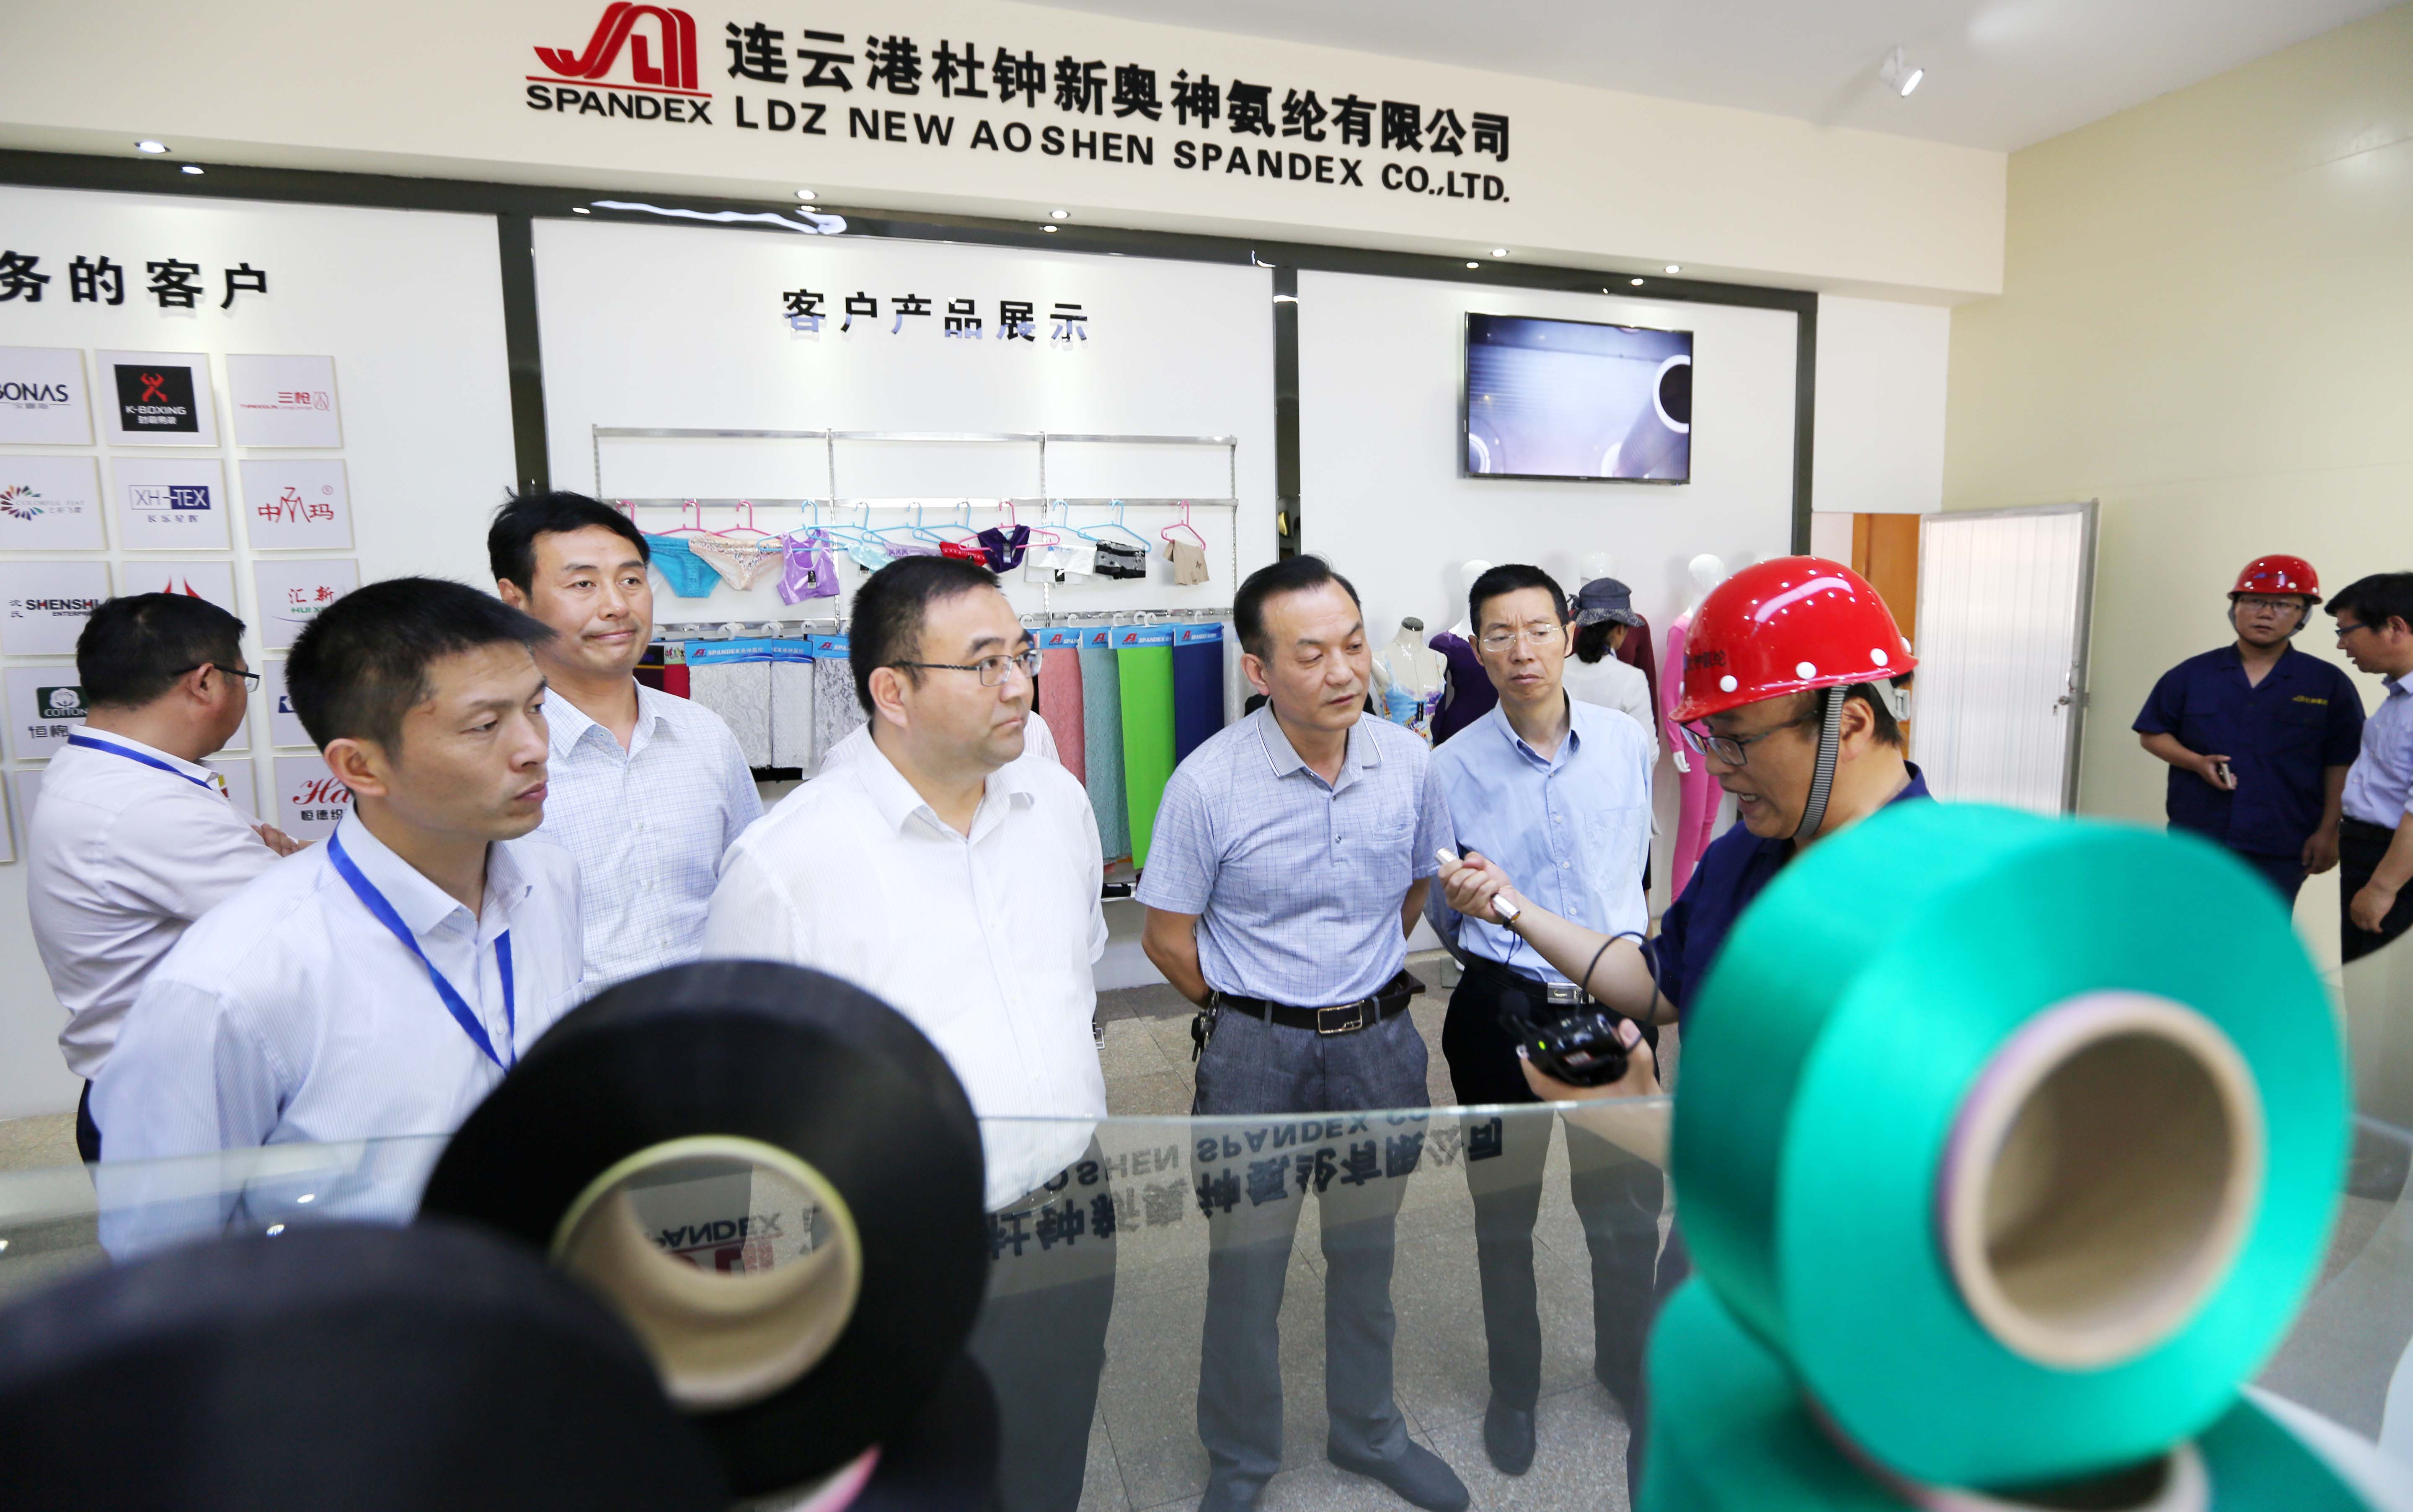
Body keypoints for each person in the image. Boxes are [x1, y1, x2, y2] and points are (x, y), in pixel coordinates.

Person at [1435, 556, 1928, 1502]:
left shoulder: (1934, 903)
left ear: (1851, 721)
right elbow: (1656, 982)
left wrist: (1648, 1123)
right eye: (1707, 741)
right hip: (1709, 1259)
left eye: (1735, 741)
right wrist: (1514, 908)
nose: (1716, 771)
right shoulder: (1749, 851)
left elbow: (1881, 1172)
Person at [700, 556, 1111, 1512]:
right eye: (984, 663)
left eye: (1022, 654)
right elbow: (747, 1106)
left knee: (1052, 1444)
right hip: (903, 1245)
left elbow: (1077, 967)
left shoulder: (1056, 802)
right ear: (892, 691)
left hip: (1069, 1196)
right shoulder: (788, 863)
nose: (1019, 685)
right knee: (927, 1475)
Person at [1138, 555, 1469, 1512]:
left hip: (1378, 1042)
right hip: (1255, 1055)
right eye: (1312, 653)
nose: (1343, 671)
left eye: (1353, 645)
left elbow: (1414, 889)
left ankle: (1369, 1429)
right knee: (1246, 1267)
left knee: (1367, 1255)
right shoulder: (1207, 784)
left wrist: (1346, 986)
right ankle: (1241, 1458)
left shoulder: (1409, 762)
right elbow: (1166, 938)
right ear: (1258, 669)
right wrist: (1256, 1014)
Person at [93, 578, 585, 1168]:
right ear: (360, 766)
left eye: (536, 708)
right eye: (484, 725)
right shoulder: (229, 984)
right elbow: (171, 1222)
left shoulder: (549, 875)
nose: (535, 747)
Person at [1423, 564, 1659, 1478]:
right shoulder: (1450, 766)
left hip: (1610, 1004)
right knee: (1504, 1213)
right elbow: (1449, 912)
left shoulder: (1625, 741)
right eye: (1499, 633)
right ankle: (1513, 1388)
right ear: (1477, 648)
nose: (1521, 650)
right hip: (1504, 1007)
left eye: (1536, 629)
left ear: (1568, 632)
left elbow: (1633, 867)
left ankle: (1625, 1367)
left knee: (1623, 1209)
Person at [26, 594, 302, 1163]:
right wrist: (292, 870)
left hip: (152, 1095)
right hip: (174, 1113)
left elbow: (290, 887)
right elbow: (318, 921)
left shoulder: (113, 774)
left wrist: (290, 868)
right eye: (243, 678)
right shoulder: (143, 804)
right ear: (207, 682)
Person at [491, 491, 760, 985]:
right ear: (515, 602)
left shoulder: (705, 735)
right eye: (583, 584)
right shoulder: (492, 756)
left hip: (715, 1019)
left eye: (631, 580)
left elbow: (753, 890)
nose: (617, 605)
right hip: (575, 1032)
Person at [2133, 556, 2363, 905]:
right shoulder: (2191, 675)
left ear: (2303, 615)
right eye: (2254, 601)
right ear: (2235, 606)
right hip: (2198, 838)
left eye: (2283, 605)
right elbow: (2153, 733)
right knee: (2190, 928)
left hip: (2283, 842)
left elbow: (2342, 761)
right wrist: (2195, 762)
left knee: (2262, 933)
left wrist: (2329, 832)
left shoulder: (2327, 682)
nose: (2266, 613)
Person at [2327, 573, 2413, 961]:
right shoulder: (2398, 699)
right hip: (2370, 854)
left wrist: (2382, 888)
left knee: (2386, 989)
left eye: (2347, 631)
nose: (2341, 644)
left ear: (2395, 627)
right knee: (2364, 983)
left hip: (2397, 865)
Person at [1560, 576, 1659, 757]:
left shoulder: (1557, 670)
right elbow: (1648, 752)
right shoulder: (1631, 679)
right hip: (1614, 774)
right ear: (1620, 629)